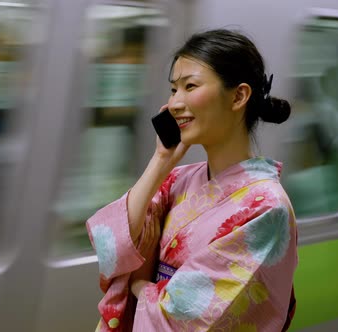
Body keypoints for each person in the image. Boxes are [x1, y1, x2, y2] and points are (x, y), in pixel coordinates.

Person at [87, 29, 297, 331]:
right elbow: (113, 249)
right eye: (174, 90)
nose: (174, 103)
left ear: (238, 96)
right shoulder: (177, 179)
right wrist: (160, 161)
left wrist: (140, 289)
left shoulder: (267, 208)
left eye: (190, 86)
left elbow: (192, 315)